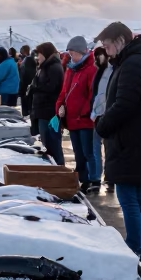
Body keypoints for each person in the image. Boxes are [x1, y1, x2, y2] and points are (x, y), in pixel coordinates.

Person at [94, 24, 141, 264]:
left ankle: (134, 250)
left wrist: (102, 124)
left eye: (108, 44)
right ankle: (140, 251)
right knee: (136, 198)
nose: (106, 50)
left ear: (121, 40)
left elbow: (124, 104)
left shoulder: (133, 64)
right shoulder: (137, 61)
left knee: (129, 199)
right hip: (138, 142)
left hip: (130, 143)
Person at [56, 36, 98, 191]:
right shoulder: (71, 69)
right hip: (72, 119)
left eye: (74, 53)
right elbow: (64, 91)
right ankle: (82, 178)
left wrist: (83, 112)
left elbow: (91, 95)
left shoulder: (91, 69)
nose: (71, 56)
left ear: (82, 52)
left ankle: (93, 179)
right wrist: (60, 106)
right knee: (78, 152)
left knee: (88, 151)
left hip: (84, 119)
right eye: (70, 53)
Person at [30, 42, 65, 165]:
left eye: (39, 54)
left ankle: (60, 171)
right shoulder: (45, 66)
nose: (37, 57)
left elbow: (52, 88)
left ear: (45, 53)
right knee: (47, 145)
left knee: (53, 145)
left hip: (49, 112)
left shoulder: (54, 67)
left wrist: (35, 87)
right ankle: (53, 170)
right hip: (42, 111)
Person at [89, 46, 112, 192]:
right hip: (98, 114)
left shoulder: (109, 71)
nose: (98, 58)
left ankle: (109, 177)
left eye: (100, 55)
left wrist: (95, 112)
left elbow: (102, 95)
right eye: (96, 56)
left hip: (105, 113)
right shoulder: (100, 71)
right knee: (96, 146)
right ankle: (97, 178)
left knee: (107, 147)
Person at [19, 44, 37, 118]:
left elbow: (24, 75)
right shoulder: (31, 61)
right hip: (30, 86)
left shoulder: (27, 60)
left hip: (26, 86)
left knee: (26, 104)